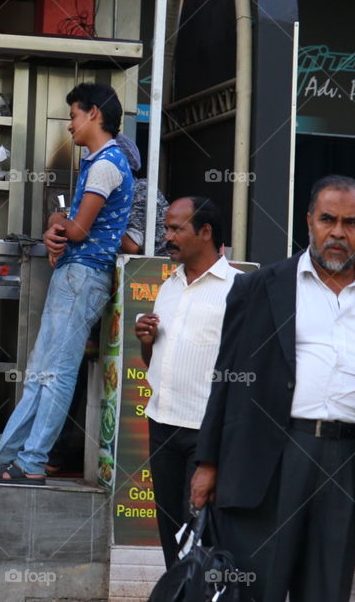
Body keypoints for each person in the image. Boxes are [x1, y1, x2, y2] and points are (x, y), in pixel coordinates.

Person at [190, 174, 355, 602]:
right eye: (328, 219)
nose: (337, 233)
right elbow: (226, 378)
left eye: (351, 224)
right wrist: (208, 461)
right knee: (258, 586)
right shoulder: (258, 288)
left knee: (327, 589)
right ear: (309, 220)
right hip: (272, 457)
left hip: (347, 460)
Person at [0, 82, 134, 485]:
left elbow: (79, 228)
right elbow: (69, 224)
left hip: (83, 274)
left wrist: (60, 227)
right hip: (78, 274)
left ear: (94, 115)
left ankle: (31, 462)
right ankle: (5, 456)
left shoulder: (106, 164)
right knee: (41, 371)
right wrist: (59, 227)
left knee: (54, 373)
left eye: (73, 115)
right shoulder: (101, 162)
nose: (69, 125)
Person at [133, 196, 241, 568]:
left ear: (205, 232)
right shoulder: (170, 286)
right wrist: (145, 342)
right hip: (162, 424)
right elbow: (154, 362)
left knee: (203, 537)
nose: (168, 237)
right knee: (171, 532)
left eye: (177, 228)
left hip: (206, 434)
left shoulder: (238, 290)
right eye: (166, 228)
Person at [114, 133, 170, 256]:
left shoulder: (141, 190)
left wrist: (93, 219)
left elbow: (132, 245)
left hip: (157, 269)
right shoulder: (117, 196)